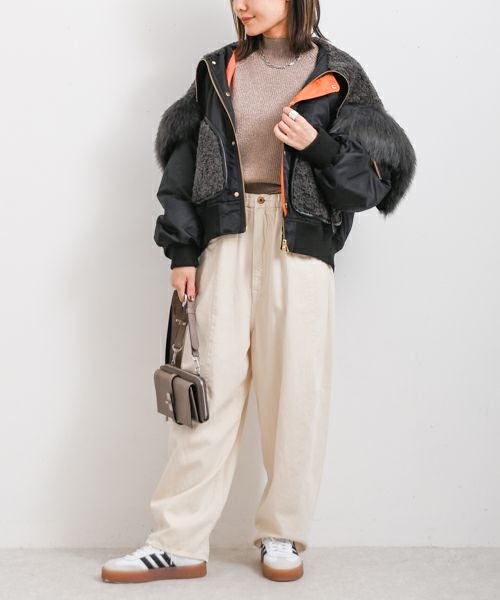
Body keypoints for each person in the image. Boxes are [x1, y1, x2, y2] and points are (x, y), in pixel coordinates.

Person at [101, 0, 416, 585]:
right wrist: (182, 252)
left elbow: (373, 184)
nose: (240, 4)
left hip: (300, 247)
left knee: (296, 394)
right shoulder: (216, 70)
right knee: (205, 397)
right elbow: (181, 170)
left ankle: (283, 533)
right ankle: (177, 542)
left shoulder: (340, 75)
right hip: (226, 237)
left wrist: (319, 146)